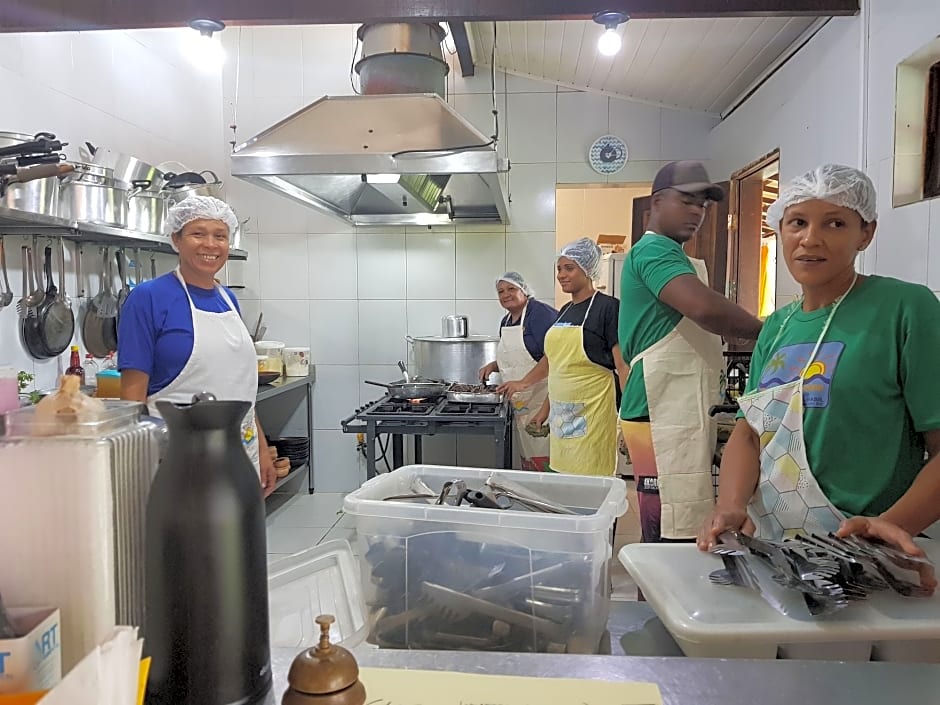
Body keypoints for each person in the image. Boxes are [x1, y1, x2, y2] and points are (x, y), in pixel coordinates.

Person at [698, 164, 940, 575]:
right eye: (797, 222)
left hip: (873, 554)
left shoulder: (904, 309)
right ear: (781, 230)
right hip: (776, 551)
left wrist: (890, 527)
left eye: (835, 223)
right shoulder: (778, 326)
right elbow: (749, 433)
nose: (810, 239)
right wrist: (731, 505)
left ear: (866, 233)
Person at [619, 161, 763, 543]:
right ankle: (657, 602)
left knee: (676, 525)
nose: (697, 212)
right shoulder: (654, 252)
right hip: (659, 405)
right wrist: (775, 333)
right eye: (687, 201)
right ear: (657, 202)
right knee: (665, 531)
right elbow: (704, 309)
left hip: (676, 403)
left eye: (702, 205)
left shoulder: (676, 256)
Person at [118, 195, 277, 496]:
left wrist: (264, 447)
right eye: (198, 233)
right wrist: (135, 470)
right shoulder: (148, 298)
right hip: (177, 457)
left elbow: (239, 387)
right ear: (176, 239)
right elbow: (131, 398)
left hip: (242, 450)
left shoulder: (228, 298)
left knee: (239, 540)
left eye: (220, 236)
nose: (210, 244)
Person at [500, 238, 629, 476]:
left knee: (591, 481)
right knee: (566, 479)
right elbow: (557, 365)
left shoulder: (608, 308)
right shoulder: (565, 311)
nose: (561, 274)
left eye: (569, 268)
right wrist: (545, 411)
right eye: (559, 268)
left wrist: (630, 423)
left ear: (588, 269)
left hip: (593, 413)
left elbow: (622, 366)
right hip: (562, 417)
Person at [479, 272, 558, 472]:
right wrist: (494, 365)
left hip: (544, 398)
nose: (506, 294)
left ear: (524, 290)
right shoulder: (506, 321)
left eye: (511, 289)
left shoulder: (540, 314)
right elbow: (522, 354)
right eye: (501, 291)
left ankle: (552, 496)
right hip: (523, 403)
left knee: (548, 455)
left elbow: (554, 356)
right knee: (530, 454)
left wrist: (523, 382)